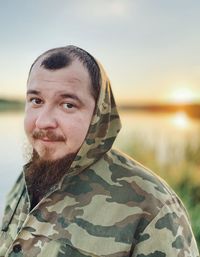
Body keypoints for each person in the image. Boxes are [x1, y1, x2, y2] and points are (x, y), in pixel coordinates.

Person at [0, 45, 199, 257]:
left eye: (67, 105)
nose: (43, 121)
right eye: (36, 101)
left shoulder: (154, 208)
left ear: (99, 113)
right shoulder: (28, 176)